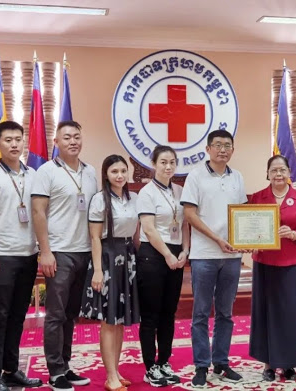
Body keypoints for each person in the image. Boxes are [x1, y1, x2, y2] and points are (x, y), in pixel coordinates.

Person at [32, 120, 97, 391]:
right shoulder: (46, 171)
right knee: (56, 315)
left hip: (84, 252)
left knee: (71, 314)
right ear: (56, 142)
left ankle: (66, 366)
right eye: (67, 137)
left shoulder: (91, 171)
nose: (73, 141)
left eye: (77, 136)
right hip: (59, 252)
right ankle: (55, 371)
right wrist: (44, 251)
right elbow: (38, 212)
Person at [180, 130, 247, 388]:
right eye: (217, 145)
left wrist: (246, 242)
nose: (223, 149)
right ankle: (201, 365)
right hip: (204, 255)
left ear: (232, 149)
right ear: (208, 149)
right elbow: (189, 214)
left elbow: (241, 215)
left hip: (232, 256)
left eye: (227, 145)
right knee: (200, 313)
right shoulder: (195, 176)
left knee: (225, 313)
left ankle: (221, 361)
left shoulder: (237, 177)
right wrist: (216, 239)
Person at [249, 155, 296, 382]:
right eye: (274, 170)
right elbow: (248, 227)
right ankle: (268, 364)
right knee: (265, 312)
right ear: (267, 174)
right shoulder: (258, 197)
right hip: (265, 263)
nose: (278, 174)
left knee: (290, 314)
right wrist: (249, 242)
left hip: (291, 263)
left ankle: (289, 364)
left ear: (289, 174)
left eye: (283, 170)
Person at [79, 155, 140, 391]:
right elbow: (95, 237)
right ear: (106, 174)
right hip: (107, 257)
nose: (120, 175)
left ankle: (115, 371)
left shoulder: (132, 198)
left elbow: (136, 234)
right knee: (108, 320)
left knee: (120, 320)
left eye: (123, 171)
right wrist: (97, 270)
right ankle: (110, 374)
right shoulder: (99, 200)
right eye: (115, 171)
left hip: (127, 258)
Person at [0, 121, 42, 391]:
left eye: (18, 139)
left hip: (28, 254)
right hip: (1, 256)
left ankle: (11, 370)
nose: (14, 144)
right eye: (8, 139)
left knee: (17, 317)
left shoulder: (34, 175)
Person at [136, 145, 189, 387]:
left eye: (172, 162)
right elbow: (148, 228)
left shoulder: (180, 190)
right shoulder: (147, 192)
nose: (168, 167)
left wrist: (185, 250)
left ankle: (164, 360)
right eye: (163, 162)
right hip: (153, 255)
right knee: (151, 315)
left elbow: (185, 223)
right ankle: (150, 367)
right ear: (154, 164)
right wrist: (168, 254)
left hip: (176, 254)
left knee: (169, 313)